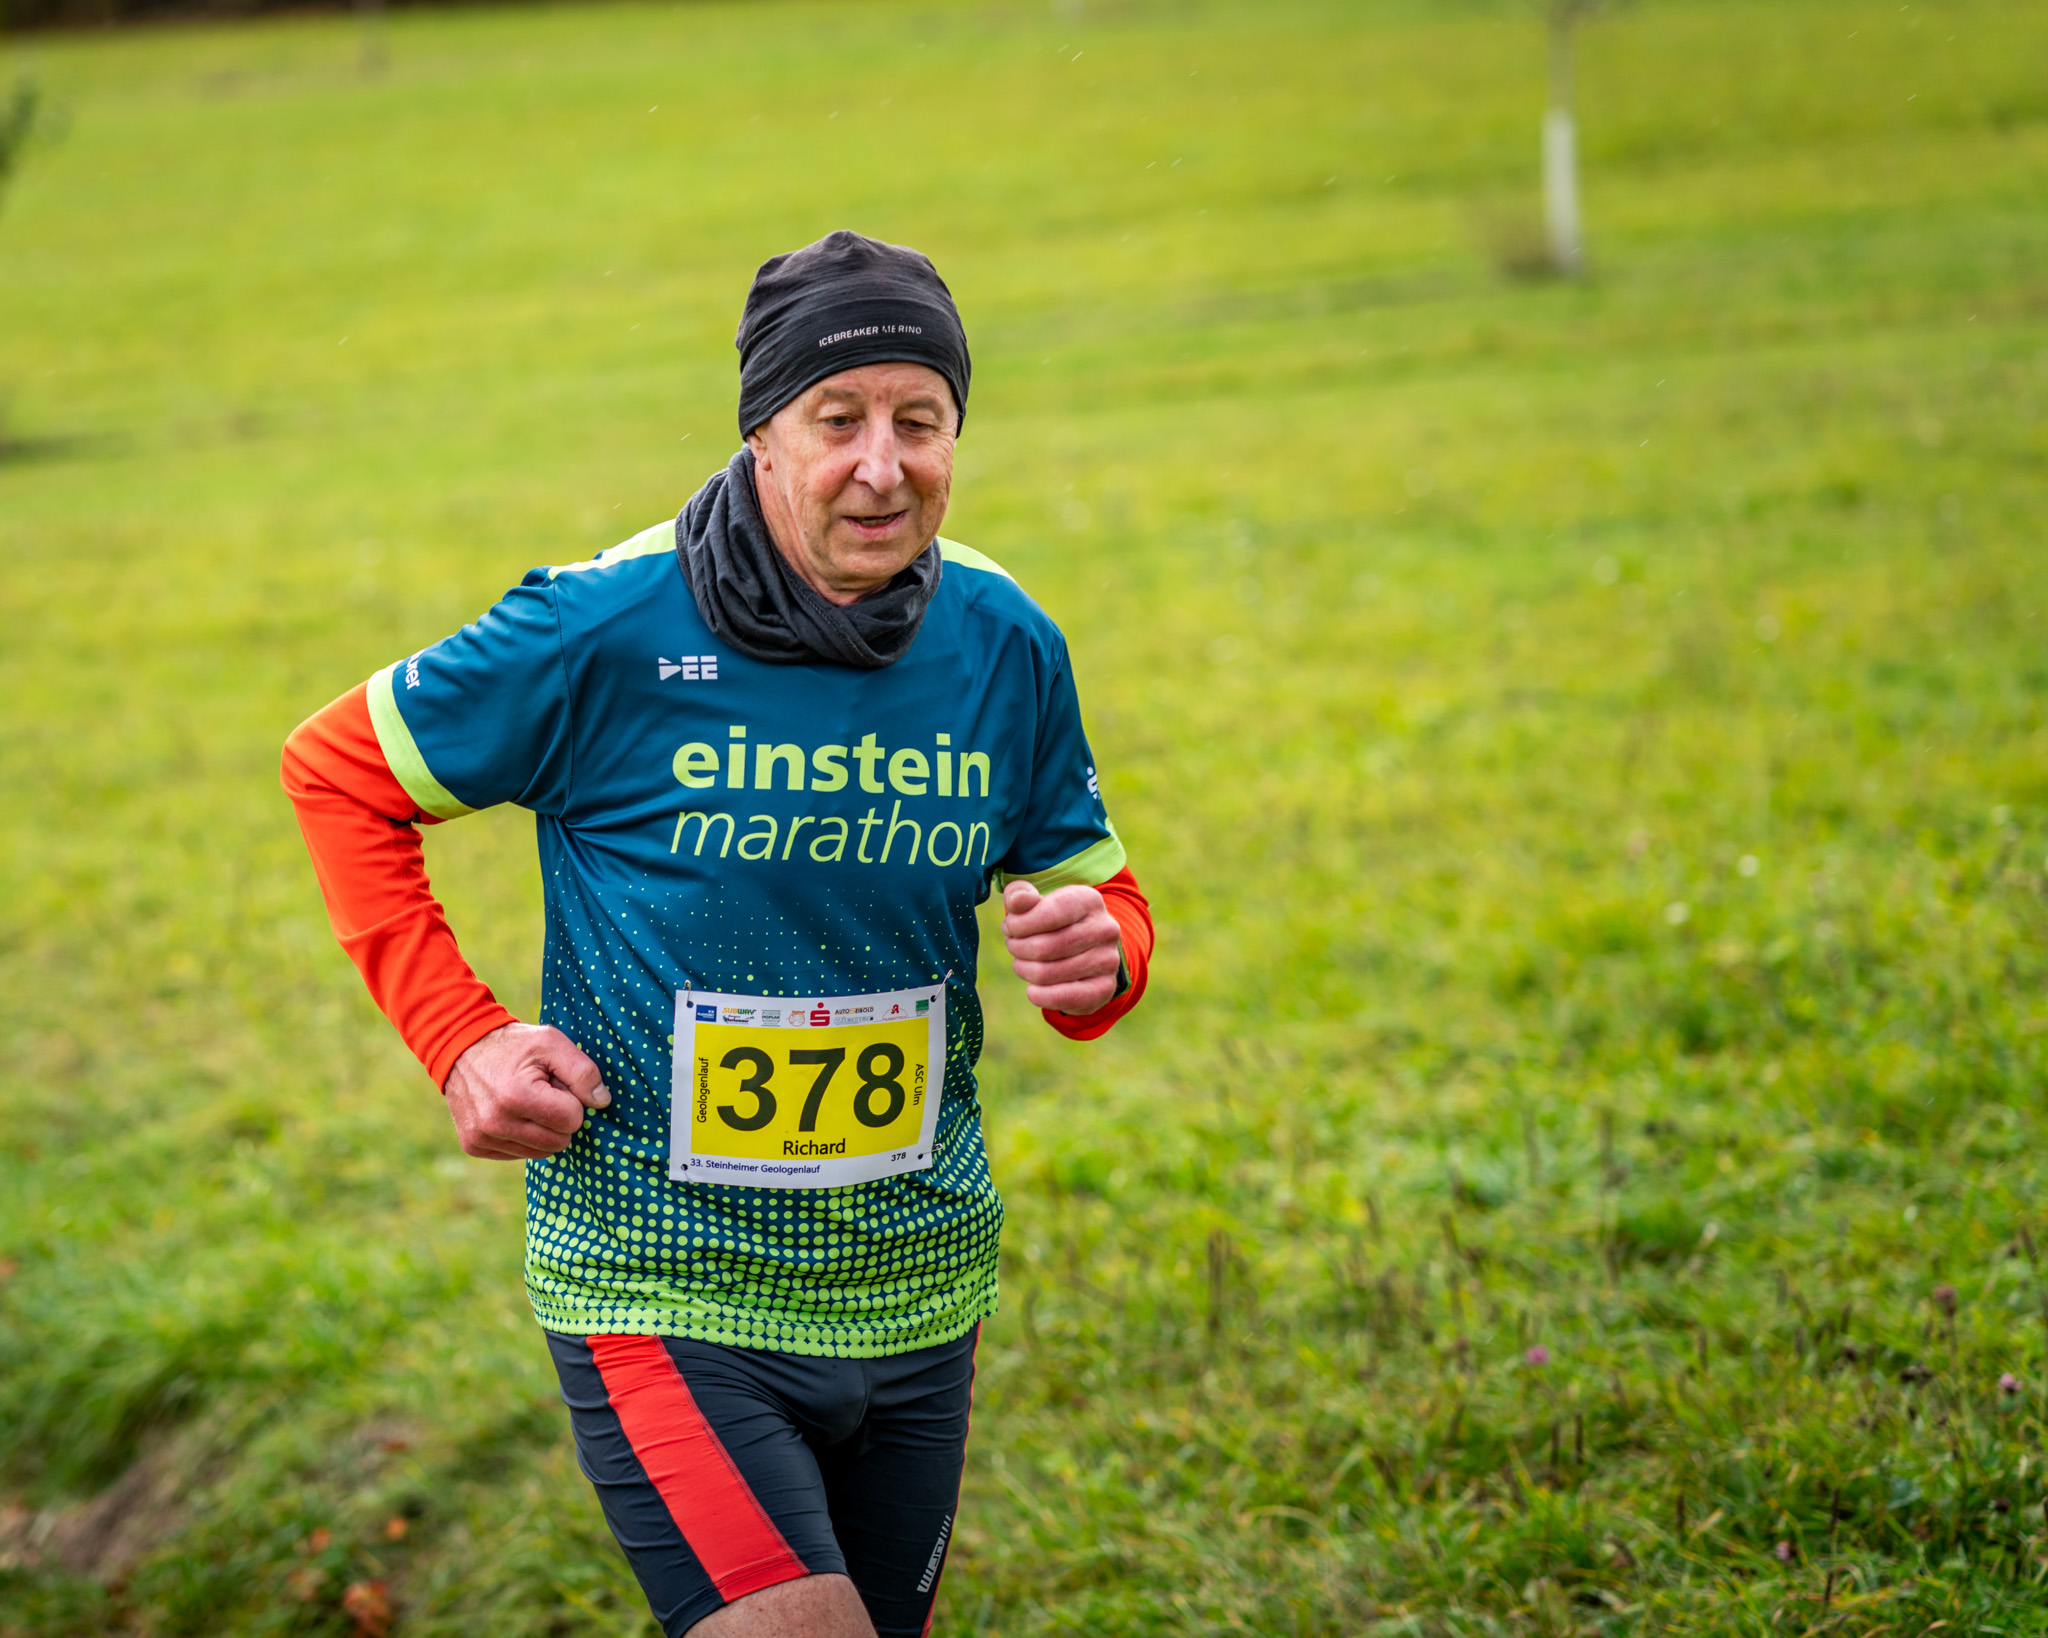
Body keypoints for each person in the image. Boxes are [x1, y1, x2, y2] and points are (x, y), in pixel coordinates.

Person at [282, 230, 1154, 1638]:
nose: (884, 466)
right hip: (661, 1276)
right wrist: (460, 1040)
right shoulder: (603, 625)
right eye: (838, 420)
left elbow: (1101, 898)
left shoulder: (1004, 638)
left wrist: (1101, 954)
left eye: (921, 421)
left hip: (918, 1278)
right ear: (761, 435)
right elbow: (338, 770)